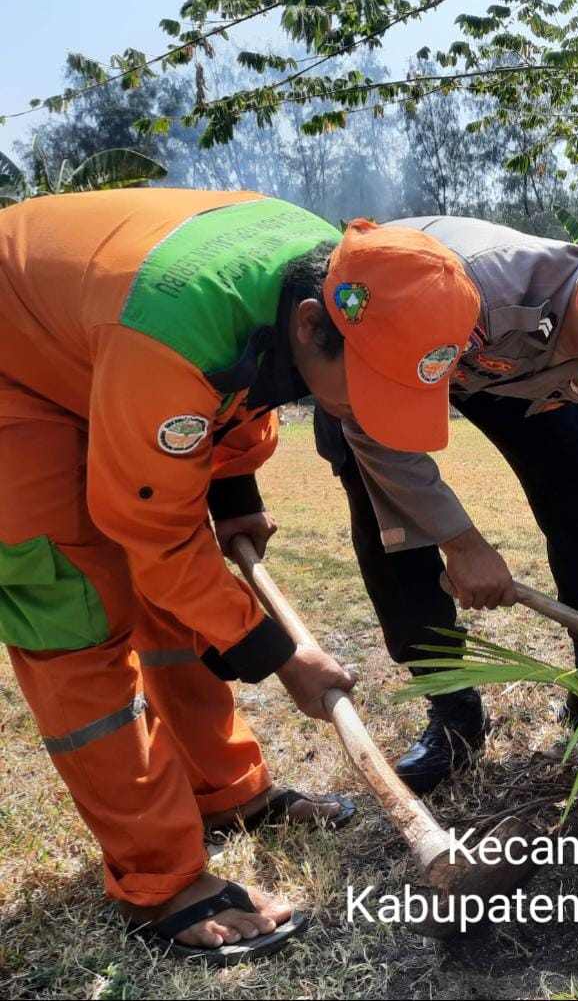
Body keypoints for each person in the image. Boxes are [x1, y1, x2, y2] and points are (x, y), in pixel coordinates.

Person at [0, 187, 479, 963]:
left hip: (100, 349)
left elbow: (240, 379)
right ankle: (162, 882)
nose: (372, 412)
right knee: (76, 607)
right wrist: (283, 656)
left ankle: (229, 796)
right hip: (16, 372)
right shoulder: (178, 326)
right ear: (311, 327)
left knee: (174, 598)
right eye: (369, 386)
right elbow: (156, 524)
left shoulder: (336, 273)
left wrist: (234, 498)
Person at [307, 207, 578, 796]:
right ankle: (453, 711)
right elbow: (373, 430)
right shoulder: (466, 294)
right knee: (389, 521)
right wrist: (462, 542)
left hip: (517, 375)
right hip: (393, 350)